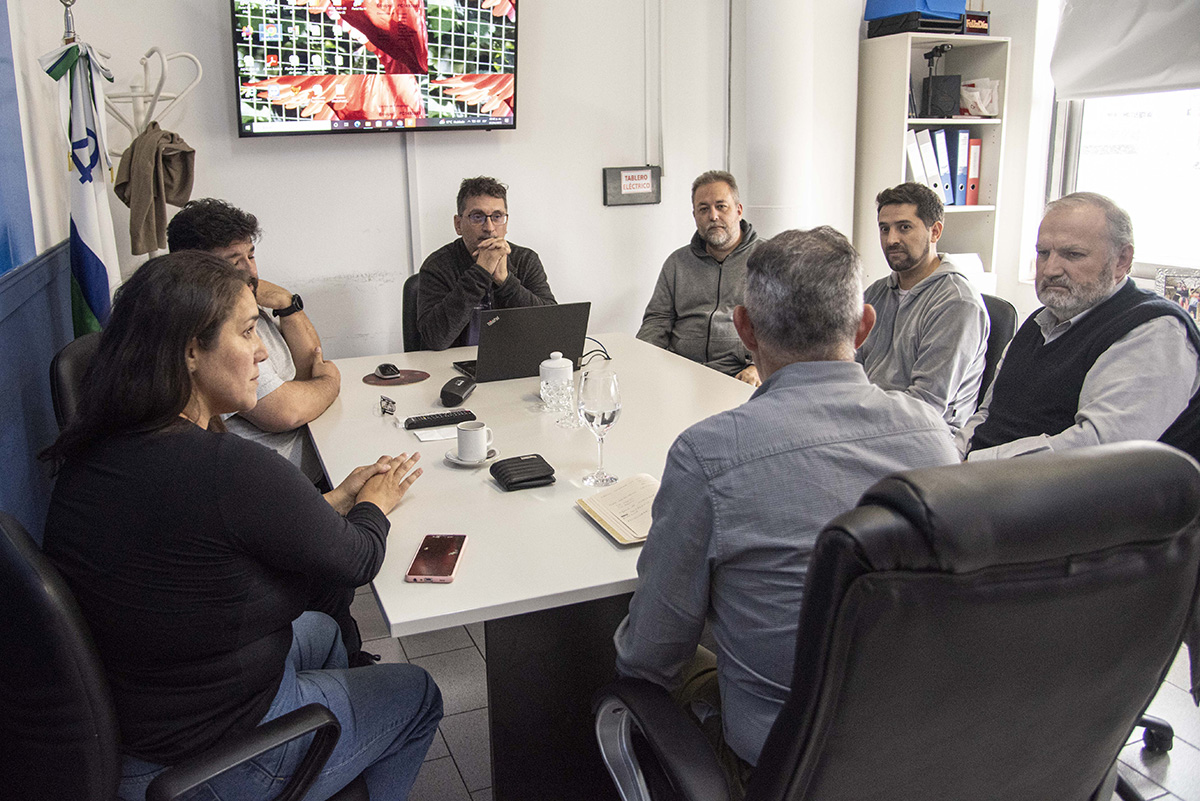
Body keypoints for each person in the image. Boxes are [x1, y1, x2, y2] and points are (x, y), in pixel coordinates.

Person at [41, 252, 442, 801]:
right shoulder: (228, 468)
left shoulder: (96, 448)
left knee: (324, 632)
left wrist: (335, 499)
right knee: (417, 694)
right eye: (249, 331)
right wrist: (375, 502)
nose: (262, 351)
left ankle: (325, 767)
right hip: (211, 760)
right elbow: (358, 559)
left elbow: (213, 539)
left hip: (147, 719)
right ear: (190, 351)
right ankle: (303, 766)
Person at [614, 227, 959, 795]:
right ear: (865, 326)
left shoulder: (708, 454)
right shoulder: (933, 435)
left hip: (782, 769)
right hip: (923, 751)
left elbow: (653, 656)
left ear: (744, 329)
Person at [957, 192, 1200, 461]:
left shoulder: (1154, 332)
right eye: (1043, 253)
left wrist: (975, 464)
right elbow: (987, 414)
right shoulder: (1040, 322)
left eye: (1073, 254)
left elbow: (1097, 449)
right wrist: (950, 455)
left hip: (1067, 485)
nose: (1050, 270)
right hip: (988, 476)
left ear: (1121, 260)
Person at [167, 198, 338, 487]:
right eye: (234, 262)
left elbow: (311, 363)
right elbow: (285, 411)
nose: (252, 272)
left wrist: (287, 304)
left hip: (314, 462)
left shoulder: (248, 300)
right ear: (195, 270)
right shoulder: (211, 326)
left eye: (251, 256)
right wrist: (330, 381)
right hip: (273, 485)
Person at [856, 182, 989, 429]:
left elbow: (926, 405)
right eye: (884, 229)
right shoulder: (876, 293)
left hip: (927, 433)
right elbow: (848, 367)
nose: (891, 239)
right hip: (869, 422)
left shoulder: (957, 303)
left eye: (904, 227)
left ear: (935, 232)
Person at [637, 170, 761, 385]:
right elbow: (657, 321)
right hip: (680, 374)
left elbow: (785, 328)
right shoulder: (677, 263)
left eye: (721, 206)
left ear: (738, 210)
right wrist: (640, 359)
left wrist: (758, 368)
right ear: (694, 216)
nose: (713, 216)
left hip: (739, 376)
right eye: (703, 209)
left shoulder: (768, 260)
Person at [417, 176, 556, 350]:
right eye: (477, 217)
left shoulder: (526, 259)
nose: (489, 228)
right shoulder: (437, 265)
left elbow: (550, 327)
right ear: (458, 224)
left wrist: (505, 281)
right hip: (454, 362)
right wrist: (481, 271)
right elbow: (435, 339)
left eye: (497, 216)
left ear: (506, 223)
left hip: (514, 358)